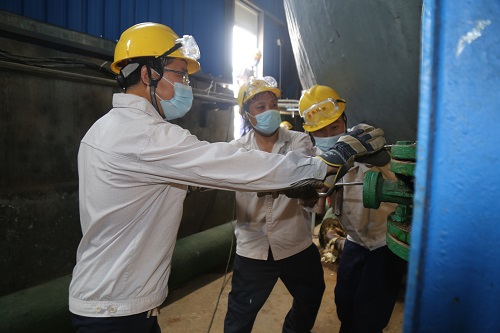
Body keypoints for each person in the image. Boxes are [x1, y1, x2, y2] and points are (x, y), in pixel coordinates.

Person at [68, 22, 386, 333]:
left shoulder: (103, 129)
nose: (185, 84)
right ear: (149, 73)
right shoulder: (147, 136)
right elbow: (233, 163)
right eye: (179, 73)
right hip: (116, 310)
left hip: (112, 299)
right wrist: (328, 163)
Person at [298, 85, 407, 333]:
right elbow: (314, 203)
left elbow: (367, 134)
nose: (329, 134)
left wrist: (376, 158)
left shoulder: (364, 146)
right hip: (355, 243)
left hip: (384, 245)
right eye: (321, 131)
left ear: (345, 121)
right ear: (311, 134)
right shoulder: (319, 161)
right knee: (344, 304)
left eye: (334, 127)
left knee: (370, 317)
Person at [223, 77, 325, 333]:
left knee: (311, 296)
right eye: (260, 107)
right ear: (247, 114)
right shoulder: (235, 150)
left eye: (273, 104)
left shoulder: (299, 141)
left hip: (295, 243)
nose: (269, 111)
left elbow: (303, 173)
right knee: (239, 317)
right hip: (254, 248)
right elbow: (292, 172)